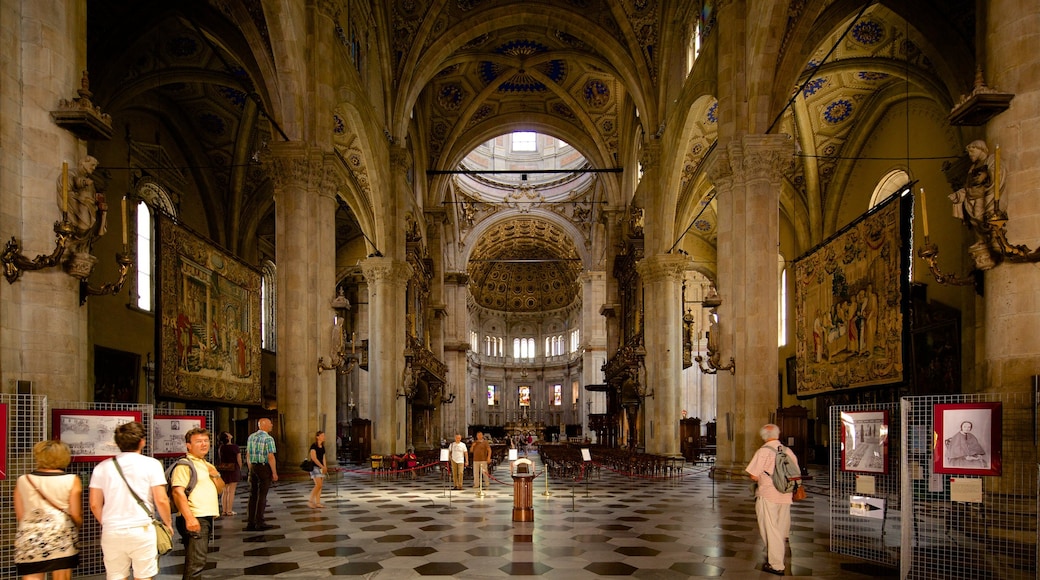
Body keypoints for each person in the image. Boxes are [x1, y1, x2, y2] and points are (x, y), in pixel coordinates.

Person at [88, 421, 172, 580]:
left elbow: (94, 503)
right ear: (142, 441)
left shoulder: (102, 467)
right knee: (144, 576)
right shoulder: (152, 464)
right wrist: (167, 523)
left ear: (117, 443)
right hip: (142, 529)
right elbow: (161, 499)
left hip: (112, 530)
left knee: (116, 576)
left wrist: (107, 522)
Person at [14, 440, 82, 580]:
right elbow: (75, 514)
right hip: (61, 537)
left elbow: (21, 516)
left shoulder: (23, 480)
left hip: (30, 538)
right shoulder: (71, 480)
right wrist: (78, 526)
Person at [745, 423, 800, 576]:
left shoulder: (763, 451)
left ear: (763, 436)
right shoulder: (788, 450)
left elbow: (753, 475)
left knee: (770, 529)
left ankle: (776, 564)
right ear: (778, 434)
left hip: (768, 494)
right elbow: (796, 472)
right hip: (786, 493)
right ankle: (780, 551)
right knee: (781, 527)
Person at [170, 428, 224, 580]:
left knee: (196, 561)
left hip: (205, 517)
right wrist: (190, 518)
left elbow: (221, 488)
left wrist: (215, 475)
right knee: (196, 564)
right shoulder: (185, 465)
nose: (203, 444)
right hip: (195, 516)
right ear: (188, 445)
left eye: (206, 441)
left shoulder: (206, 464)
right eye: (198, 441)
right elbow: (177, 492)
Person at [948, 139, 1005, 243]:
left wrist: (987, 175)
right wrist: (958, 195)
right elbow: (968, 186)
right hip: (973, 198)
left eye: (972, 151)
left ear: (981, 149)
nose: (970, 154)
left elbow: (998, 171)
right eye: (969, 152)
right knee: (974, 219)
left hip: (986, 196)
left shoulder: (991, 159)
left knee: (981, 216)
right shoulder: (973, 167)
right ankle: (982, 240)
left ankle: (993, 237)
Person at [245, 417, 278, 531]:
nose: (272, 425)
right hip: (263, 467)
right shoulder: (268, 439)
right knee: (262, 495)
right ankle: (260, 521)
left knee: (252, 494)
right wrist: (274, 472)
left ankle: (250, 522)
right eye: (270, 424)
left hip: (254, 466)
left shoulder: (251, 437)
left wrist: (250, 469)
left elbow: (248, 454)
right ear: (263, 425)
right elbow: (270, 456)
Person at [216, 431, 241, 517]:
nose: (230, 434)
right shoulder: (235, 447)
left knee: (225, 491)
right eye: (228, 434)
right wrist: (240, 467)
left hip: (224, 469)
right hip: (233, 469)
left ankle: (224, 511)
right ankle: (229, 510)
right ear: (227, 437)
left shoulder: (221, 447)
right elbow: (239, 459)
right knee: (231, 491)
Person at [307, 431, 328, 508]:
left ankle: (318, 502)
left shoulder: (322, 446)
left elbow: (323, 457)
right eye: (322, 435)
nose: (324, 437)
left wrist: (325, 466)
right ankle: (310, 501)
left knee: (320, 486)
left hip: (321, 467)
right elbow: (314, 458)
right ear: (317, 437)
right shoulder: (314, 446)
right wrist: (321, 466)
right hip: (314, 467)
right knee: (318, 485)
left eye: (324, 435)